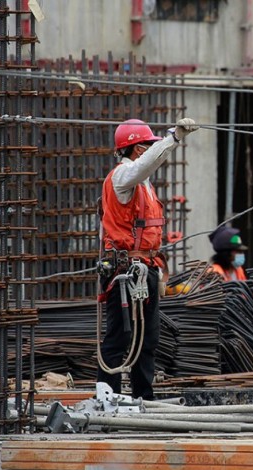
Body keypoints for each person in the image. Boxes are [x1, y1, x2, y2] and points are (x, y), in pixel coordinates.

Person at [98, 117, 200, 400]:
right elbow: (145, 166)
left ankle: (144, 397)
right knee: (118, 337)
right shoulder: (122, 177)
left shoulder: (144, 185)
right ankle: (108, 398)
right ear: (138, 149)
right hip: (124, 269)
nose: (151, 151)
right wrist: (173, 137)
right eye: (148, 146)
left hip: (147, 268)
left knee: (148, 338)